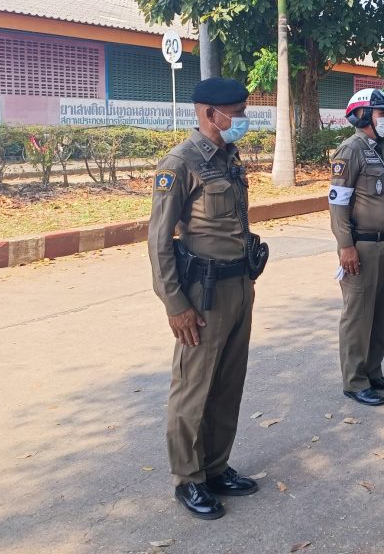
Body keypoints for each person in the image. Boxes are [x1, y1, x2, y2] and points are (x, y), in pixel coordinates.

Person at [147, 77, 269, 520]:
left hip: (238, 285)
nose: (243, 119)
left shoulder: (229, 159)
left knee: (227, 383)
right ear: (209, 114)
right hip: (202, 293)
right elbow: (159, 241)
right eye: (236, 113)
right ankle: (188, 479)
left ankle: (215, 467)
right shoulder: (181, 163)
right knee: (193, 388)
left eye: (243, 111)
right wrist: (175, 303)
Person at [329, 88, 384, 406]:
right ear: (362, 116)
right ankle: (355, 380)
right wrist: (345, 246)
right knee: (358, 315)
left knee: (380, 313)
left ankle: (373, 370)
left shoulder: (380, 151)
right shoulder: (351, 150)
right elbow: (338, 204)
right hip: (362, 247)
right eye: (381, 113)